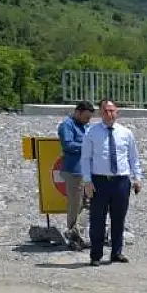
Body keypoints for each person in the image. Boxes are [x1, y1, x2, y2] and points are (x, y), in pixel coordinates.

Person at [80, 99, 143, 266]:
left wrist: (137, 178)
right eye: (106, 111)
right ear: (100, 113)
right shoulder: (91, 132)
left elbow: (133, 157)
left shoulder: (126, 133)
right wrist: (87, 181)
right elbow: (85, 158)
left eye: (112, 110)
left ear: (117, 112)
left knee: (119, 218)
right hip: (99, 181)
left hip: (121, 181)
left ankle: (116, 252)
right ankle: (96, 255)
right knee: (97, 219)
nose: (109, 114)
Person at [57, 101, 93, 250]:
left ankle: (75, 232)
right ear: (77, 112)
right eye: (86, 117)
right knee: (75, 205)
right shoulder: (67, 125)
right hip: (74, 171)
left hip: (85, 171)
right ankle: (74, 238)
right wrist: (87, 146)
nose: (88, 121)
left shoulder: (84, 126)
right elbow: (68, 144)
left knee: (89, 203)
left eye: (89, 118)